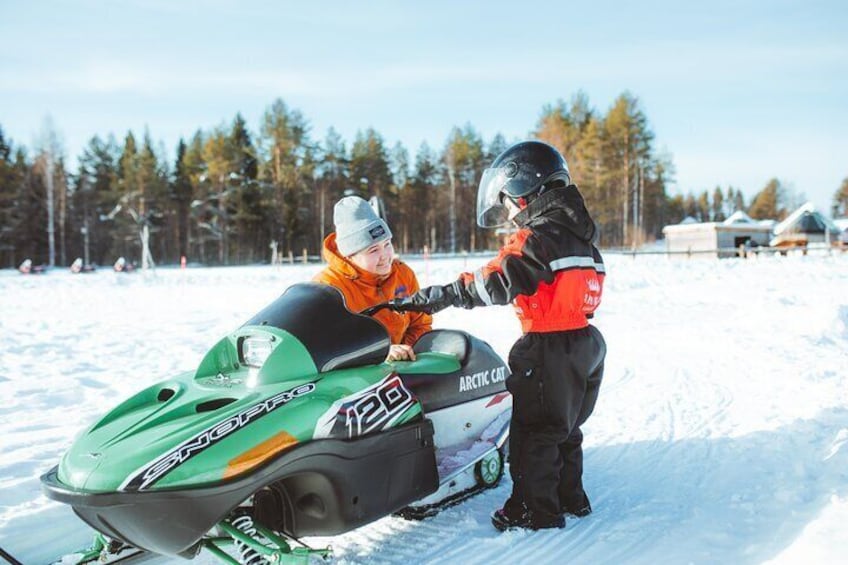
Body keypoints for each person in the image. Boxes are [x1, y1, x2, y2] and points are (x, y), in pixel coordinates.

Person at [393, 140, 606, 531]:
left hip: (546, 347)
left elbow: (495, 282)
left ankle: (533, 510)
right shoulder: (583, 240)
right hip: (585, 343)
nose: (507, 213)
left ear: (527, 191)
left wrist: (443, 295)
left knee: (533, 433)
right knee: (565, 429)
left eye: (508, 202)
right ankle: (569, 498)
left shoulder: (536, 239)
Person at [314, 195, 432, 362]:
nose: (385, 256)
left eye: (387, 244)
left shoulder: (403, 275)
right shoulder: (327, 288)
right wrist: (379, 354)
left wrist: (405, 355)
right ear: (350, 256)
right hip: (354, 379)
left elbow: (420, 324)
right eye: (373, 250)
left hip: (400, 375)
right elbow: (324, 345)